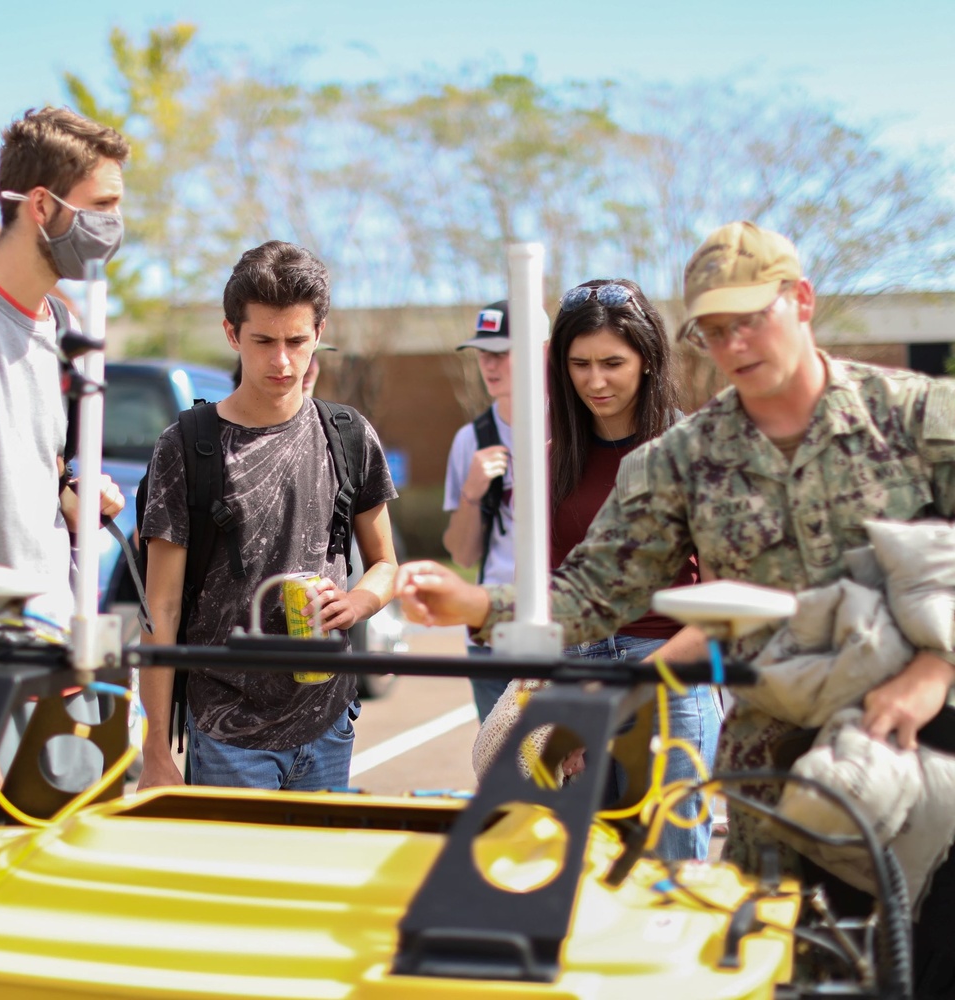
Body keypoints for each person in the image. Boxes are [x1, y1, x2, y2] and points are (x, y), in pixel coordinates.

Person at [396, 221, 955, 995]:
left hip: (923, 755)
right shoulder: (682, 461)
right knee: (767, 965)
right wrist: (480, 603)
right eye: (714, 330)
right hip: (771, 779)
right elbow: (595, 590)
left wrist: (934, 667)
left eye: (749, 319)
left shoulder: (918, 418)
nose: (733, 345)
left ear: (802, 301)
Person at [138, 241, 398, 793]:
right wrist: (155, 749)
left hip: (329, 723)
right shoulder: (186, 446)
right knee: (237, 881)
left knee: (314, 881)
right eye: (263, 341)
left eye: (296, 341)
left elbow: (385, 565)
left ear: (319, 334)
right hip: (227, 734)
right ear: (232, 335)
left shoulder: (349, 435)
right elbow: (159, 606)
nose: (282, 361)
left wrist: (358, 602)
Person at [0, 106, 129, 792]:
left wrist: (69, 495)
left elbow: (25, 467)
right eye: (103, 206)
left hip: (57, 667)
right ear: (40, 205)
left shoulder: (62, 326)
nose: (114, 228)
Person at [546, 277, 720, 860]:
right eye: (580, 364)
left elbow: (724, 598)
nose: (595, 381)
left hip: (670, 673)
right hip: (581, 672)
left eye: (613, 363)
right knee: (579, 869)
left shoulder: (694, 448)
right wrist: (564, 703)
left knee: (674, 872)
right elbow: (553, 589)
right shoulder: (555, 457)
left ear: (647, 360)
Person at [442, 301, 515, 722]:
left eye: (502, 352)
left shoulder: (573, 428)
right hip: (492, 634)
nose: (490, 364)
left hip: (566, 632)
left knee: (572, 778)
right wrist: (471, 493)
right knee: (502, 769)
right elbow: (463, 555)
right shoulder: (471, 439)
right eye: (483, 353)